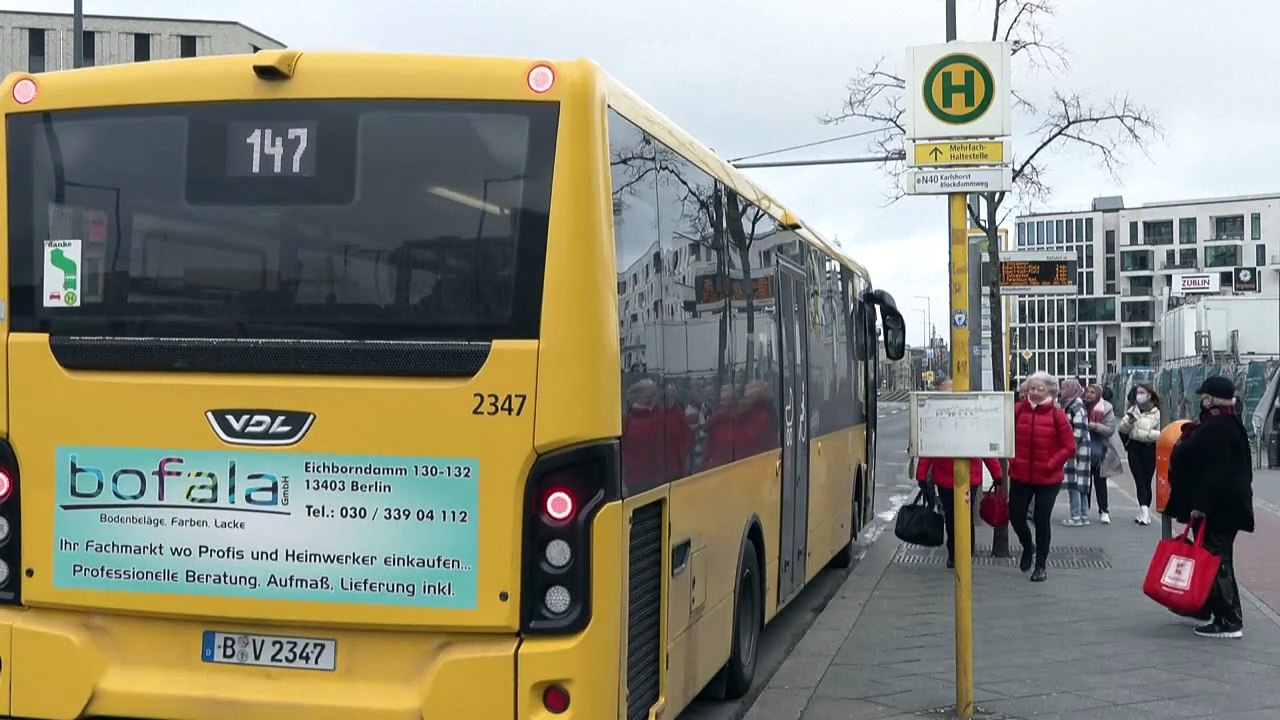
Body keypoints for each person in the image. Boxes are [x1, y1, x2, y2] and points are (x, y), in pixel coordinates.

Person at [1166, 376, 1255, 639]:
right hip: (1222, 506)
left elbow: (1217, 473)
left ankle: (1229, 619)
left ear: (1211, 398)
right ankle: (1207, 606)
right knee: (1213, 558)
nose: (1200, 400)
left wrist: (1201, 505)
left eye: (1203, 395)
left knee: (1216, 561)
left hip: (1219, 508)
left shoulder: (1218, 427)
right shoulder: (1226, 422)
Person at [1008, 371, 1076, 582]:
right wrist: (1012, 460)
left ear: (1050, 391)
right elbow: (1005, 437)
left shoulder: (1058, 415)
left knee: (1041, 518)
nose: (1035, 392)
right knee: (1016, 515)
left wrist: (1051, 464)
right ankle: (1028, 546)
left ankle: (1041, 565)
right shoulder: (1017, 411)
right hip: (1021, 474)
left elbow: (1069, 447)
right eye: (1032, 388)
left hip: (1048, 477)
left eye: (1040, 388)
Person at [916, 454, 1003, 569]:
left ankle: (962, 552)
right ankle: (957, 552)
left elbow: (983, 446)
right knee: (954, 516)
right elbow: (930, 447)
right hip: (950, 477)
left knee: (959, 516)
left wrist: (996, 473)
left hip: (962, 476)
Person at [1118, 383, 1162, 525]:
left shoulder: (1158, 413)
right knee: (1139, 479)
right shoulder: (1133, 410)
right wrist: (1130, 422)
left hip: (1150, 449)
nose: (1139, 396)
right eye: (1138, 393)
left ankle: (1145, 510)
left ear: (1150, 395)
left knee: (1147, 480)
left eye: (1142, 392)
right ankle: (1144, 511)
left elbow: (1163, 433)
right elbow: (1122, 429)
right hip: (1134, 449)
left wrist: (1147, 434)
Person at [1084, 384, 1123, 525]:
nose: (1088, 394)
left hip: (1100, 450)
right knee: (1084, 482)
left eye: (1092, 392)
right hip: (1083, 449)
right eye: (1087, 391)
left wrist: (1094, 426)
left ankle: (1104, 510)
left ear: (1099, 394)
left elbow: (1110, 430)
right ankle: (1084, 509)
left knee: (1100, 482)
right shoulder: (1081, 407)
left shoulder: (1106, 408)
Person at [1058, 379, 1094, 527]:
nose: (1061, 391)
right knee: (1082, 484)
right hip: (1081, 450)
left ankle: (1076, 515)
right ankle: (1083, 514)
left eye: (1063, 388)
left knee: (1074, 484)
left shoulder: (1074, 406)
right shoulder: (1076, 405)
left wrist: (1069, 447)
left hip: (1076, 452)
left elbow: (1078, 430)